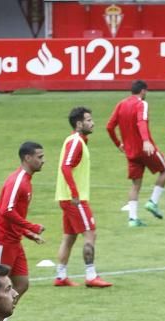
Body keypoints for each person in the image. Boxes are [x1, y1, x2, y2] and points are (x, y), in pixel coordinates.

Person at [0, 142, 46, 320]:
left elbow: (13, 213)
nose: (44, 161)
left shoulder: (26, 181)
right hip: (2, 242)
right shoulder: (18, 181)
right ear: (28, 158)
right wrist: (31, 226)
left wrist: (28, 234)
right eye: (40, 157)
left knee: (21, 283)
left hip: (13, 241)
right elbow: (7, 210)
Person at [54, 106, 112, 288]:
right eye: (88, 120)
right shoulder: (76, 141)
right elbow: (66, 166)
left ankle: (61, 276)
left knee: (69, 236)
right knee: (90, 233)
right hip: (74, 199)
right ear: (79, 124)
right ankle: (91, 275)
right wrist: (75, 193)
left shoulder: (76, 141)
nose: (92, 123)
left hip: (66, 198)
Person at [106, 79, 165, 227]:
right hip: (144, 148)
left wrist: (118, 144)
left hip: (130, 152)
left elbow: (109, 126)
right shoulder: (142, 104)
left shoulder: (121, 104)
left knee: (135, 184)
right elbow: (141, 122)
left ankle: (133, 219)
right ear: (143, 91)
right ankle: (153, 202)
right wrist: (146, 141)